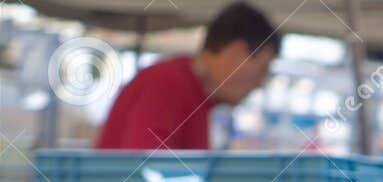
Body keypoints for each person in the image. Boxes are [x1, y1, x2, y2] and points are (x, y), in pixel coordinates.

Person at [97, 5, 278, 152]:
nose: (259, 84)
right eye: (261, 70)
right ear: (236, 53)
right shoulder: (166, 84)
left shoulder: (197, 94)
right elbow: (149, 178)